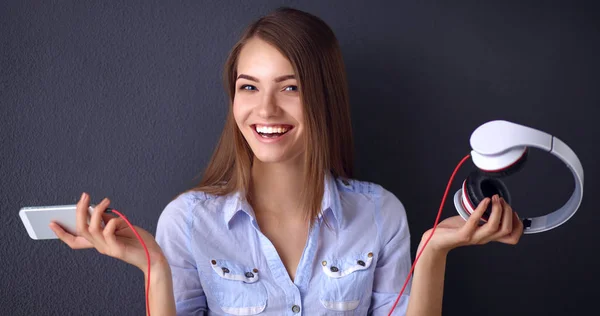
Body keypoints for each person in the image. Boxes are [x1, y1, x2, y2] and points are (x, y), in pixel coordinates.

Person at [49, 7, 524, 316]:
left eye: (290, 87)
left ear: (325, 97)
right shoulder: (188, 221)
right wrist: (154, 265)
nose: (266, 110)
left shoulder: (381, 215)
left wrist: (433, 253)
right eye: (249, 87)